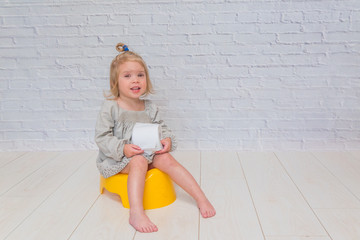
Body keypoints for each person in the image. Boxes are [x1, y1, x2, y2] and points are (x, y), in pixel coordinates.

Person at [95, 43, 216, 233]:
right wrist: (123, 148)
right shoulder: (111, 107)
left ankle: (201, 198)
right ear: (115, 82)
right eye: (127, 76)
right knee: (138, 161)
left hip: (147, 152)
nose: (135, 80)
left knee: (167, 159)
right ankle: (136, 212)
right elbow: (102, 137)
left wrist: (166, 140)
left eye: (140, 75)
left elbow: (162, 128)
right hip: (118, 157)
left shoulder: (150, 107)